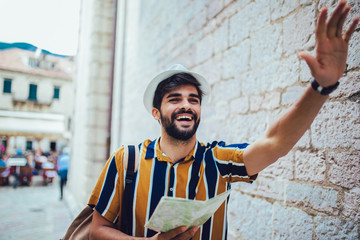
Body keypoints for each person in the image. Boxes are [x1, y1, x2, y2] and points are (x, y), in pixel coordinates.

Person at [88, 1, 359, 239]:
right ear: (156, 112)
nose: (186, 105)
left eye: (193, 99)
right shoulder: (126, 161)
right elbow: (97, 230)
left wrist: (321, 87)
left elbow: (274, 143)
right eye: (174, 99)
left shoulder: (216, 161)